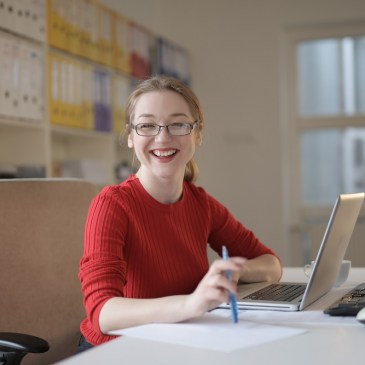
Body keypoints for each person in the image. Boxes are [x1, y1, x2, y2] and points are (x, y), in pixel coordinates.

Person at [78, 75, 282, 351]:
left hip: (177, 343)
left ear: (198, 133)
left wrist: (236, 271)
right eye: (147, 125)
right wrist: (192, 304)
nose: (162, 137)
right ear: (130, 137)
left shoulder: (201, 204)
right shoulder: (112, 205)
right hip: (118, 350)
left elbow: (271, 264)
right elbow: (103, 314)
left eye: (178, 124)